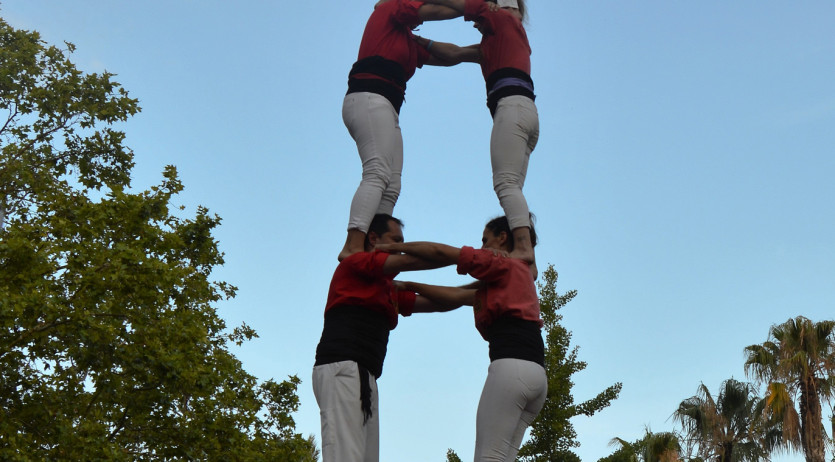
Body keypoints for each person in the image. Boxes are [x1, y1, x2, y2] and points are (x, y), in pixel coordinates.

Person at [376, 215, 546, 462]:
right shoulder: (515, 277)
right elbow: (455, 296)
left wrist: (391, 248)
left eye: (486, 241)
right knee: (503, 458)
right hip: (536, 376)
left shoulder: (502, 263)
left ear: (503, 238)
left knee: (489, 456)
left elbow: (440, 252)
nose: (483, 247)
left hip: (512, 369)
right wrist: (409, 285)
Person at [314, 213, 465, 462]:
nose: (401, 249)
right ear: (373, 239)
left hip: (366, 375)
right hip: (343, 367)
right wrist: (474, 260)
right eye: (395, 241)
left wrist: (484, 285)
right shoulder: (357, 263)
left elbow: (442, 302)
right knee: (345, 455)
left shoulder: (386, 288)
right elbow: (420, 260)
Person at [412, 0, 539, 269]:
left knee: (505, 184)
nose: (473, 22)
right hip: (525, 112)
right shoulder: (500, 40)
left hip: (511, 109)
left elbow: (461, 5)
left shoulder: (502, 19)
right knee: (513, 189)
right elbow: (454, 53)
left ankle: (525, 249)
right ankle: (529, 258)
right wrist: (418, 42)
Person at [339, 0, 464, 261]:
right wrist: (478, 7)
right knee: (377, 172)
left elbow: (450, 55)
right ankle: (353, 246)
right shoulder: (390, 9)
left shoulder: (404, 37)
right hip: (369, 97)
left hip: (385, 106)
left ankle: (377, 246)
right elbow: (435, 10)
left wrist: (482, 52)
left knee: (392, 185)